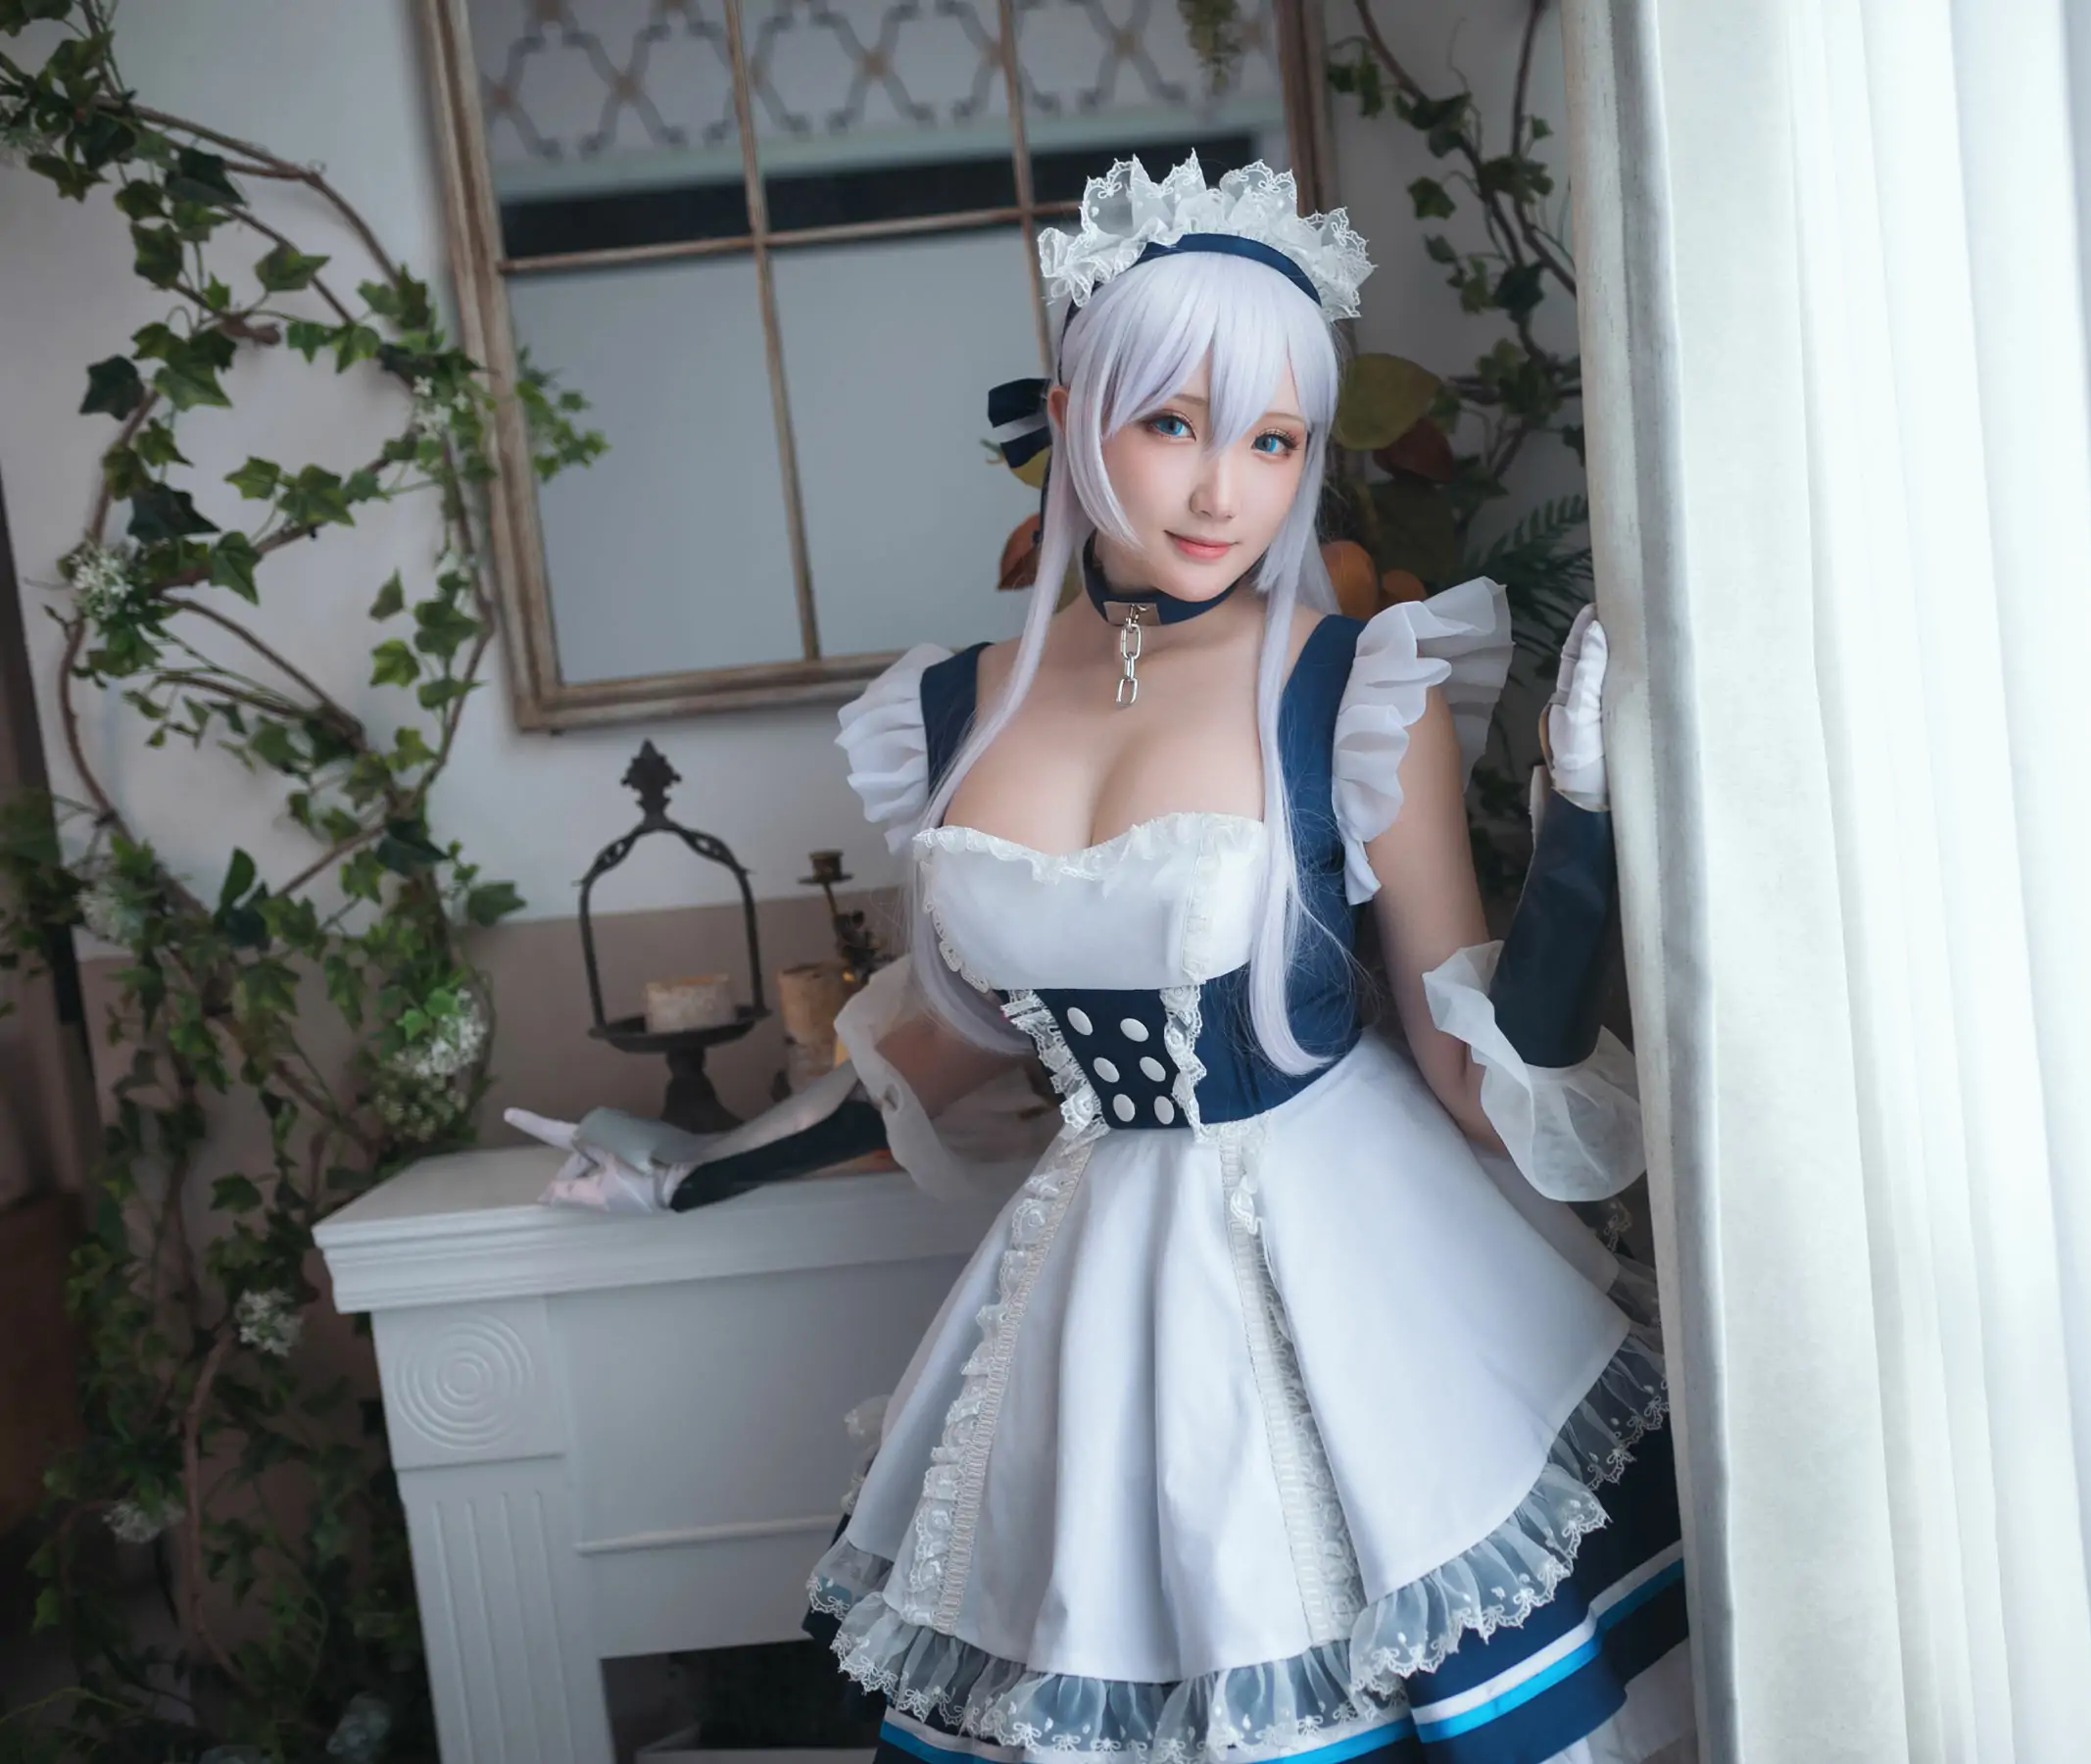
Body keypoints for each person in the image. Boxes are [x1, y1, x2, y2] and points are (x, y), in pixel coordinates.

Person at [534, 155, 1693, 1764]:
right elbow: (945, 1048)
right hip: (1096, 1279)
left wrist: (1580, 828)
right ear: (1075, 416)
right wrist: (690, 1171)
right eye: (1175, 425)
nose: (1225, 494)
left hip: (1355, 1267)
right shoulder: (957, 709)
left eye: (1274, 441)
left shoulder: (1357, 686)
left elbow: (1472, 1077)